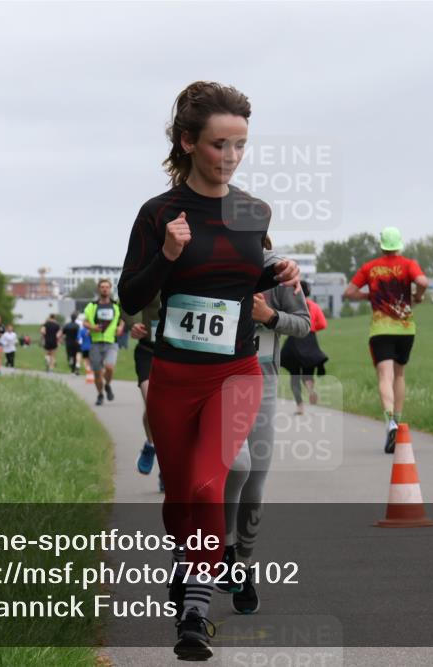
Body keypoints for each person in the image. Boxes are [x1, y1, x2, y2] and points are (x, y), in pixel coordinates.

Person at [117, 81, 300, 661]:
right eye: (220, 144)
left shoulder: (254, 212)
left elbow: (236, 281)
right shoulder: (157, 214)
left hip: (237, 373)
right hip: (174, 377)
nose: (231, 156)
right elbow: (130, 297)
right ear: (188, 142)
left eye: (241, 145)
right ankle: (189, 559)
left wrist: (277, 274)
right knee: (179, 499)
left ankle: (194, 610)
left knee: (206, 483)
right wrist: (167, 256)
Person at [221, 235, 310, 614]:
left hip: (264, 380)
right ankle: (223, 547)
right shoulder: (214, 265)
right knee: (235, 465)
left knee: (255, 482)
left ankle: (242, 565)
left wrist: (269, 316)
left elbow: (304, 324)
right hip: (219, 379)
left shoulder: (281, 273)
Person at [343, 226, 429, 453]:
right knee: (399, 375)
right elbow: (423, 281)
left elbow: (348, 292)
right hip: (405, 329)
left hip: (380, 330)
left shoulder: (369, 267)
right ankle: (398, 423)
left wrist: (369, 295)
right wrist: (418, 297)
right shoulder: (409, 264)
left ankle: (390, 422)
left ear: (381, 245)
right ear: (399, 244)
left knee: (385, 375)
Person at [124, 293, 164, 491]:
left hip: (179, 353)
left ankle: (167, 468)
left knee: (173, 414)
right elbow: (127, 299)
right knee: (153, 404)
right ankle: (150, 445)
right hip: (148, 351)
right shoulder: (153, 277)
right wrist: (133, 323)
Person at [279, 281, 329, 415]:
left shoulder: (291, 305)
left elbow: (285, 322)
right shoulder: (315, 306)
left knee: (294, 375)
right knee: (307, 373)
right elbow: (323, 324)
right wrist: (311, 328)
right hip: (310, 340)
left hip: (294, 340)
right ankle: (310, 388)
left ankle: (300, 406)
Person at [83, 279, 125, 406]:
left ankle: (107, 385)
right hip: (95, 343)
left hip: (111, 342)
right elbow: (85, 322)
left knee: (109, 367)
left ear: (110, 289)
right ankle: (100, 394)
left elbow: (122, 319)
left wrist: (120, 327)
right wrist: (92, 327)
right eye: (102, 287)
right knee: (97, 372)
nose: (105, 289)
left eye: (107, 287)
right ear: (99, 289)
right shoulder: (92, 306)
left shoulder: (116, 305)